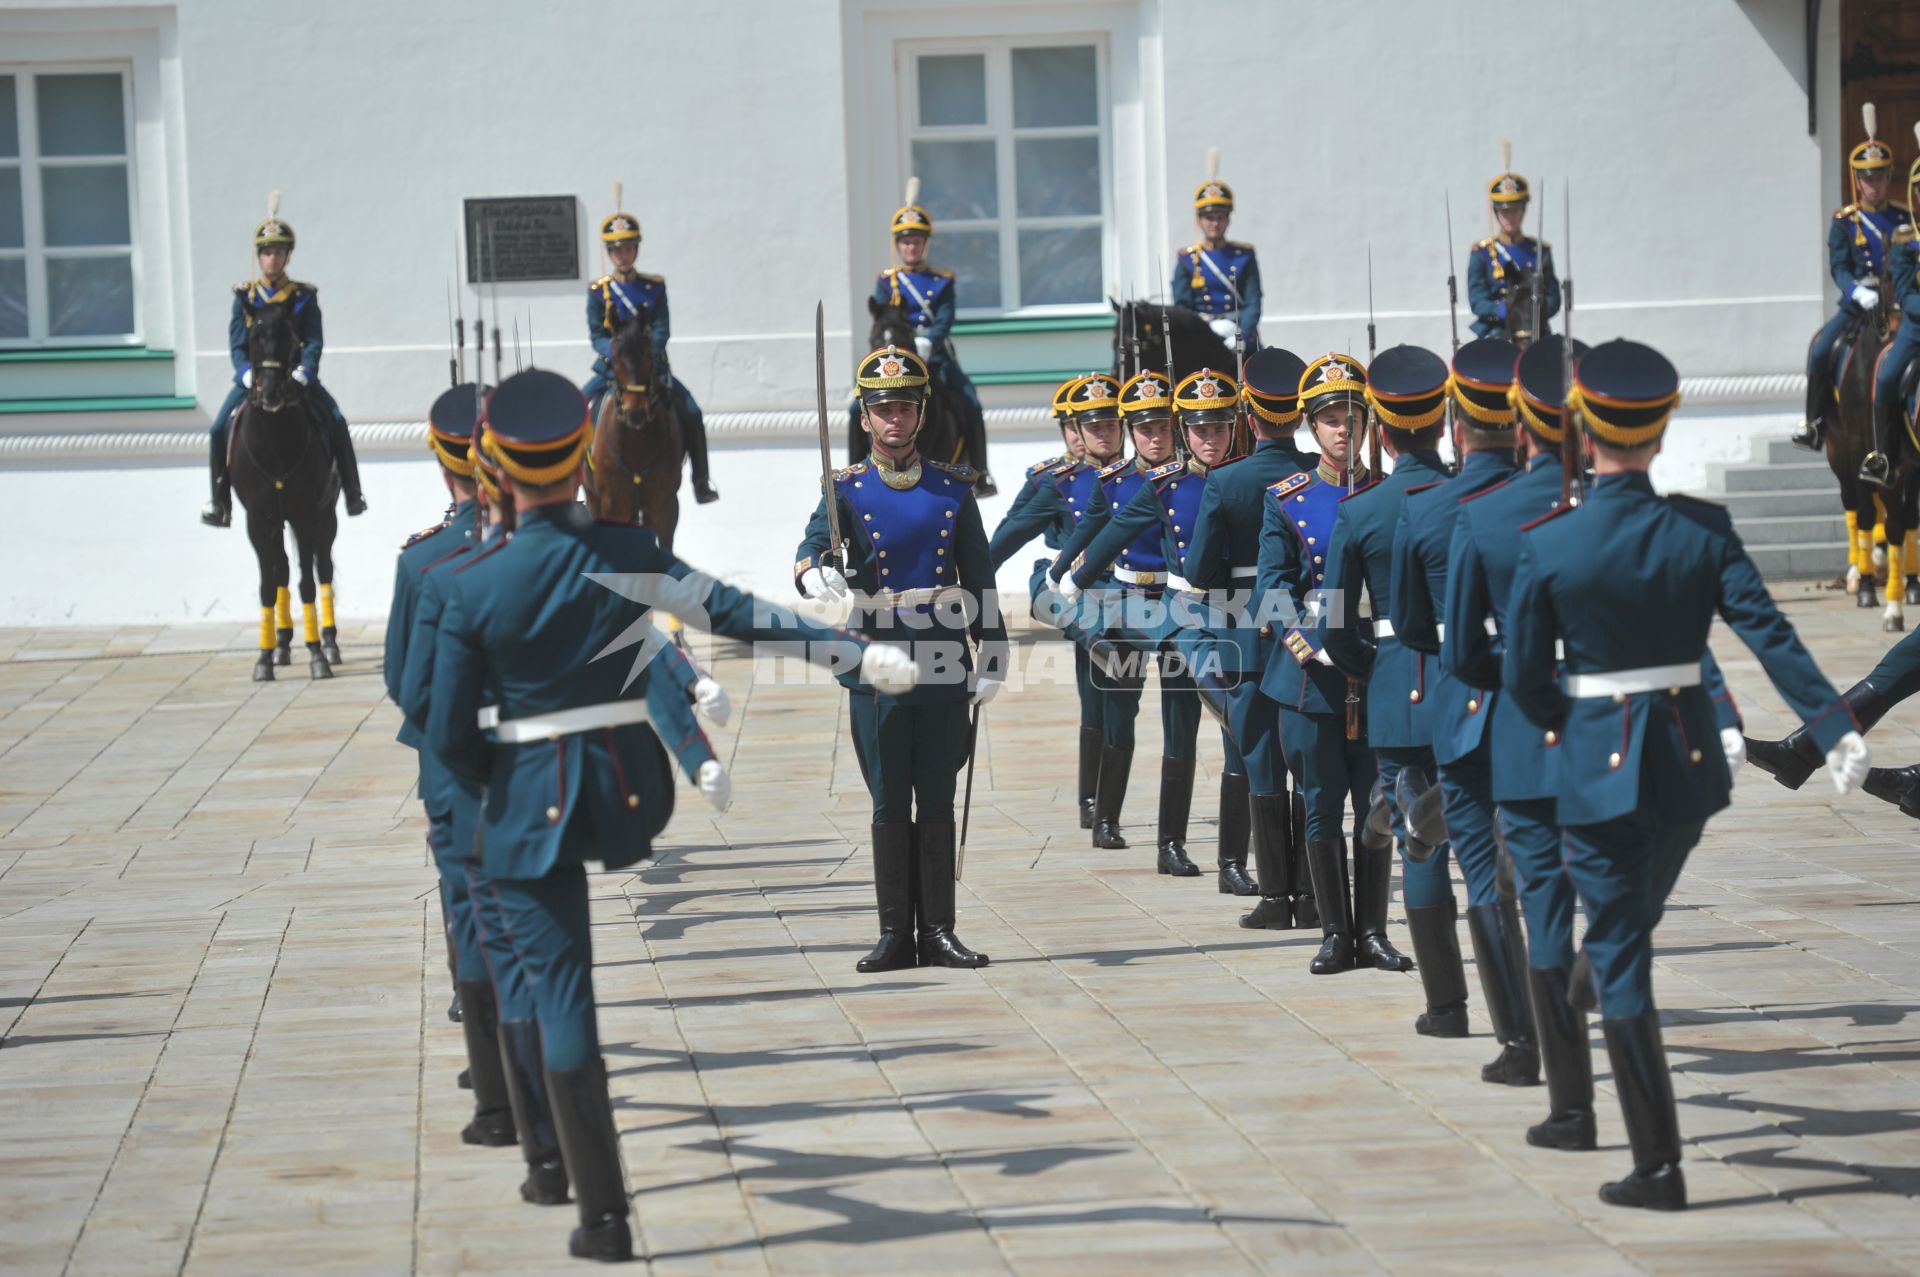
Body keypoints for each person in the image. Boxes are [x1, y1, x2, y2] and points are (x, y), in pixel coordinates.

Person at [426, 368, 910, 1261]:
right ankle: (602, 1218)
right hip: (611, 790)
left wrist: (503, 788)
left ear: (494, 461)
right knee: (568, 984)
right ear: (582, 458)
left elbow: (448, 730)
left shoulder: (469, 580)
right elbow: (729, 610)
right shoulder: (618, 545)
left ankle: (565, 1182)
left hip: (519, 803)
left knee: (543, 978)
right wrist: (845, 649)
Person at [1501, 338, 1869, 1212]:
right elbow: (1768, 633)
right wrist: (1833, 725)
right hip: (1689, 766)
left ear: (1583, 431)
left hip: (1597, 769)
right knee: (1631, 918)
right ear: (1662, 433)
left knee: (1623, 952)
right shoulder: (1701, 529)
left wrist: (1573, 726)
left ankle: (1658, 1166)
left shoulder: (1549, 543)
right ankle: (1601, 968)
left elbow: (1522, 678)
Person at [795, 344, 1008, 973]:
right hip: (877, 659)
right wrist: (814, 574)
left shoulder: (952, 488)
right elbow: (811, 544)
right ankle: (894, 933)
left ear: (920, 415)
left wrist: (992, 649)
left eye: (905, 408)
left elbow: (980, 571)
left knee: (937, 797)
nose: (894, 420)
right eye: (882, 410)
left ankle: (939, 930)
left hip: (944, 657)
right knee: (889, 800)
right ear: (864, 419)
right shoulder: (845, 489)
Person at [1390, 339, 1536, 1081]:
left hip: (1466, 708)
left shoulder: (1429, 509)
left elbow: (1415, 626)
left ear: (1453, 421)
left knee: (1482, 874)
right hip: (1549, 709)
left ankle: (1518, 1040)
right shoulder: (1556, 499)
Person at [1051, 370, 1238, 876]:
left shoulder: (1204, 478)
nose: (1154, 438)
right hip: (1129, 603)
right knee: (1122, 709)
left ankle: (1179, 846)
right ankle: (1107, 815)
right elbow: (1100, 531)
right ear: (1130, 430)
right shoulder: (1122, 484)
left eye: (1162, 428)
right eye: (1144, 428)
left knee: (1194, 723)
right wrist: (1062, 576)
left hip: (1187, 605)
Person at [1319, 347, 1452, 978]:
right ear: (1444, 421)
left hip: (1395, 681)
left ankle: (1443, 995)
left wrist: (1373, 669)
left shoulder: (1360, 509)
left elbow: (1337, 626)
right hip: (1467, 680)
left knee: (1414, 835)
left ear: (1381, 428)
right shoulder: (1463, 499)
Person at [1260, 353, 1386, 972]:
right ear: (1311, 427)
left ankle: (1376, 932)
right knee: (1320, 802)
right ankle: (1336, 930)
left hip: (1379, 664)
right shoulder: (1288, 498)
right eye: (1331, 419)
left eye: (1352, 417)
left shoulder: (1390, 494)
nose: (1342, 429)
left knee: (1378, 804)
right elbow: (1271, 587)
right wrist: (1303, 639)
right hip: (1312, 673)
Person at [987, 374, 1146, 846]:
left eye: (1111, 423)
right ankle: (1097, 808)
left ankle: (1096, 802)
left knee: (1115, 705)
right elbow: (1009, 535)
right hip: (1077, 600)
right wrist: (969, 580)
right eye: (1091, 424)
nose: (1101, 433)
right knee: (1097, 694)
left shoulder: (1147, 480)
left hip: (1129, 603)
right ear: (1073, 427)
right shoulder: (1057, 483)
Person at [1187, 347, 1313, 925]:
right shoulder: (1313, 475)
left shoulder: (1227, 480)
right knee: (1310, 764)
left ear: (1250, 415)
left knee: (1260, 759)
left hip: (1243, 631)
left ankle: (1275, 896)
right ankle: (1313, 892)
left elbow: (1197, 571)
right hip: (1309, 630)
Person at [202, 197, 366, 526]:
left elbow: (313, 339)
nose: (271, 259)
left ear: (287, 256)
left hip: (295, 378)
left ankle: (352, 490)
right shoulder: (245, 297)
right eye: (266, 252)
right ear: (259, 257)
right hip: (256, 379)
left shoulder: (303, 297)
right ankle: (219, 501)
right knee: (219, 427)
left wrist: (306, 370)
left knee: (336, 419)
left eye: (277, 252)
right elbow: (237, 344)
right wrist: (245, 373)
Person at [1792, 104, 1910, 457]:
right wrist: (1857, 290)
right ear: (1857, 180)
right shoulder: (1845, 221)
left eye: (1880, 177)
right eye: (1867, 178)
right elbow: (1839, 267)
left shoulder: (1904, 219)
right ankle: (1815, 424)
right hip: (1858, 309)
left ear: (1889, 177)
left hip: (1897, 305)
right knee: (1821, 349)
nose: (1874, 185)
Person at [860, 184, 994, 493]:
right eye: (906, 242)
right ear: (898, 245)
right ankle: (855, 470)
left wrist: (930, 339)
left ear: (925, 244)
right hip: (895, 358)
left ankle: (982, 473)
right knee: (857, 409)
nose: (911, 248)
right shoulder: (887, 281)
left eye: (916, 241)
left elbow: (945, 316)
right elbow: (881, 317)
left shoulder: (942, 280)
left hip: (935, 356)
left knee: (970, 402)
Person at [583, 210, 718, 503]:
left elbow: (661, 329)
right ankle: (575, 480)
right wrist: (618, 354)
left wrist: (645, 354)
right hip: (612, 370)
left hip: (650, 368)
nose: (623, 255)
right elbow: (597, 334)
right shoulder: (598, 292)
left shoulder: (654, 288)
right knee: (579, 409)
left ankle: (700, 480)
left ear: (636, 249)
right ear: (610, 253)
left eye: (628, 248)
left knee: (692, 411)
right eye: (617, 250)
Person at [1860, 133, 1920, 487]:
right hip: (1916, 329)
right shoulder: (1904, 238)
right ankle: (1883, 456)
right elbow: (1904, 289)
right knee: (1885, 377)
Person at [1172, 150, 1261, 354]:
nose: (1214, 223)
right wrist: (1202, 331)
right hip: (1201, 336)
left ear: (1228, 220)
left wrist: (1244, 334)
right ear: (1199, 221)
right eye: (1209, 218)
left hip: (1239, 336)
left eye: (1220, 217)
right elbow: (1182, 306)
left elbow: (1253, 301)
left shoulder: (1244, 256)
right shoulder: (1187, 259)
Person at [1467, 168, 1561, 344]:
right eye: (1504, 211)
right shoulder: (1482, 253)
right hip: (1498, 332)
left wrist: (1535, 311)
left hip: (1535, 332)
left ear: (1523, 211)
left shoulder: (1540, 251)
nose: (1510, 217)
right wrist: (1499, 310)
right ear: (1496, 213)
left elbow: (1553, 297)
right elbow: (1477, 299)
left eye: (1515, 210)